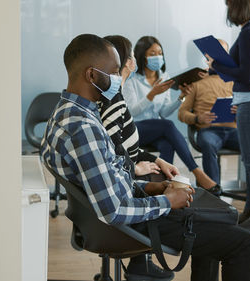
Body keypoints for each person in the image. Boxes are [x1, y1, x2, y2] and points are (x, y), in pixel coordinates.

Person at [41, 33, 250, 281]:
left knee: (220, 217)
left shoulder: (65, 112)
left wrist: (153, 186)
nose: (118, 79)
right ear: (91, 75)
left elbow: (108, 176)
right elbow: (114, 210)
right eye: (113, 72)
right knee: (243, 241)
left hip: (120, 211)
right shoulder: (83, 128)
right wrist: (167, 201)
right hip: (127, 223)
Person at [99, 35, 178, 280]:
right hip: (124, 186)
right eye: (133, 55)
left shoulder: (116, 97)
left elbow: (128, 145)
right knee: (166, 174)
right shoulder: (113, 101)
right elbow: (113, 149)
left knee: (164, 150)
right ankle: (142, 258)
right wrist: (135, 168)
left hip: (135, 163)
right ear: (129, 62)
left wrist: (157, 160)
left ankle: (141, 260)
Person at [205, 0, 250, 234]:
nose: (228, 11)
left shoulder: (249, 33)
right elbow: (241, 67)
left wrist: (218, 67)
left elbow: (246, 73)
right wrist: (217, 67)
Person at [122, 36, 221, 193]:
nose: (157, 56)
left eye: (160, 52)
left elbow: (163, 112)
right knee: (167, 126)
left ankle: (161, 185)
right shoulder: (132, 79)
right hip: (135, 129)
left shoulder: (164, 76)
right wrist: (152, 94)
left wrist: (181, 97)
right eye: (152, 53)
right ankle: (197, 172)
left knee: (167, 143)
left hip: (156, 129)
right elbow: (132, 111)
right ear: (142, 56)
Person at [178, 39, 250, 187]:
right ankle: (213, 192)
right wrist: (197, 118)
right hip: (209, 131)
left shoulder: (238, 82)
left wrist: (241, 111)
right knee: (208, 143)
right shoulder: (196, 83)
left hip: (234, 131)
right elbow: (182, 113)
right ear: (208, 57)